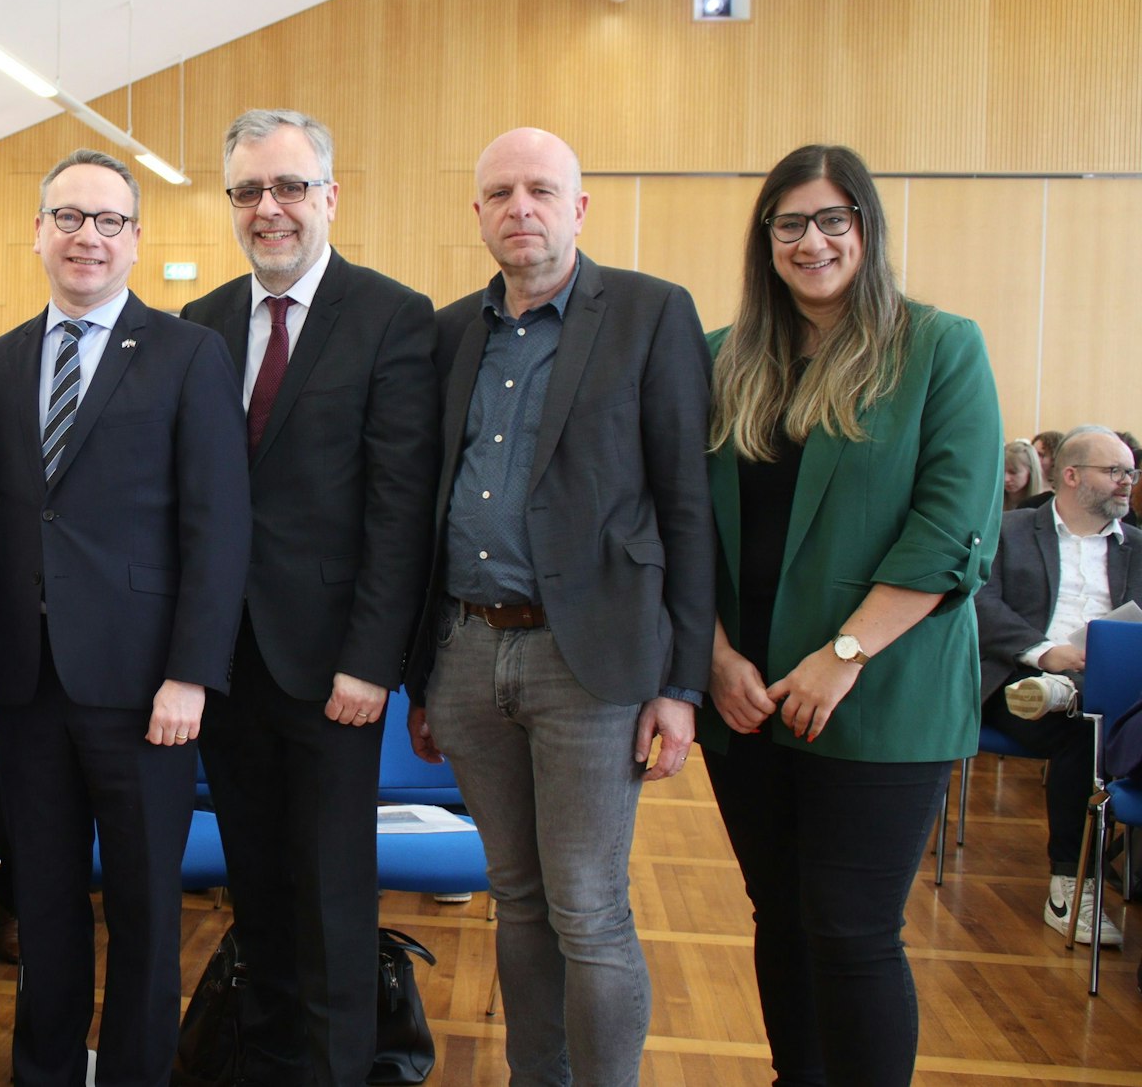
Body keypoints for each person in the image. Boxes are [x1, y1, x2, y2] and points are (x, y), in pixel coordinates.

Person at [403, 127, 713, 1086]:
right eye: (499, 192)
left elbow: (686, 505)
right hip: (466, 648)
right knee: (518, 897)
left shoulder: (653, 314)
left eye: (541, 189)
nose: (519, 208)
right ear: (479, 213)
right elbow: (426, 498)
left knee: (587, 903)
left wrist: (681, 681)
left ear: (579, 207)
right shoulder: (451, 329)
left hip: (590, 659)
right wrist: (423, 675)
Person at [700, 144, 1002, 1085]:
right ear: (766, 239)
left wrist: (845, 652)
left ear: (865, 228)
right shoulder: (721, 356)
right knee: (780, 915)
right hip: (746, 695)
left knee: (852, 928)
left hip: (882, 692)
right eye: (790, 222)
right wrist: (711, 656)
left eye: (834, 219)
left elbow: (954, 525)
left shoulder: (940, 347)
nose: (812, 239)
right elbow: (675, 522)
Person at [0, 149, 251, 1087]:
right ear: (38, 231)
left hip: (144, 687)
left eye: (109, 221)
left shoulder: (187, 353)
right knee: (41, 908)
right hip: (29, 683)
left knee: (143, 910)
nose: (88, 236)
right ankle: (45, 1073)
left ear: (137, 240)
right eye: (69, 217)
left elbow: (217, 523)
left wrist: (192, 672)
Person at [178, 108, 437, 1087]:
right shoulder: (197, 325)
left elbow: (397, 505)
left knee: (330, 901)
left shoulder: (389, 315)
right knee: (259, 893)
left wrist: (372, 662)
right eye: (248, 191)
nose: (268, 208)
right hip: (224, 665)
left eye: (287, 187)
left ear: (327, 196)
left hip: (334, 666)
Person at [975, 425, 1139, 946]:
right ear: (1071, 475)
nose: (1126, 482)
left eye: (1131, 472)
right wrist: (1047, 652)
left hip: (1117, 689)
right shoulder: (1010, 530)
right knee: (1083, 731)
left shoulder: (1138, 547)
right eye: (1114, 471)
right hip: (1019, 678)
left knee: (1091, 714)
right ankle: (1073, 886)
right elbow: (978, 605)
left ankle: (1074, 696)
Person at [1004, 438, 1047, 511]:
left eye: (1013, 472)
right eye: (1002, 472)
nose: (1006, 479)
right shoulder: (991, 502)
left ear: (1031, 472)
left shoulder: (1044, 505)